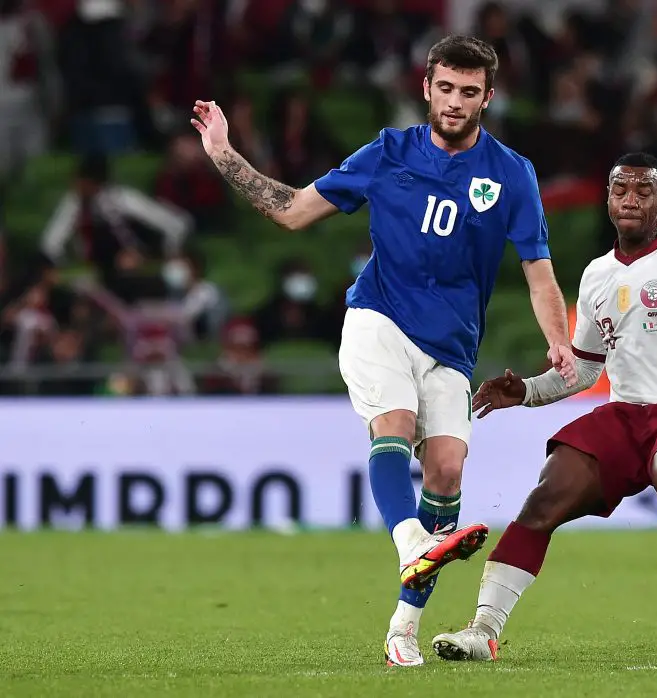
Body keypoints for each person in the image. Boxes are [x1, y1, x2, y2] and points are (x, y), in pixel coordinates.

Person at [191, 35, 577, 667]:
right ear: (426, 86)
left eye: (469, 92)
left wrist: (558, 339)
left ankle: (403, 626)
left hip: (452, 345)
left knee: (447, 471)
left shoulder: (512, 174)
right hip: (380, 318)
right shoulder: (387, 153)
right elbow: (290, 212)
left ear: (488, 97)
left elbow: (538, 272)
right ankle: (410, 546)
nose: (455, 102)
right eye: (446, 88)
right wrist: (222, 151)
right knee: (392, 427)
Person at [432, 153, 657, 662]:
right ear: (608, 200)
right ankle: (484, 629)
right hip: (625, 413)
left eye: (642, 191)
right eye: (620, 191)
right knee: (545, 498)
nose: (631, 200)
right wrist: (524, 391)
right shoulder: (596, 276)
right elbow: (587, 370)